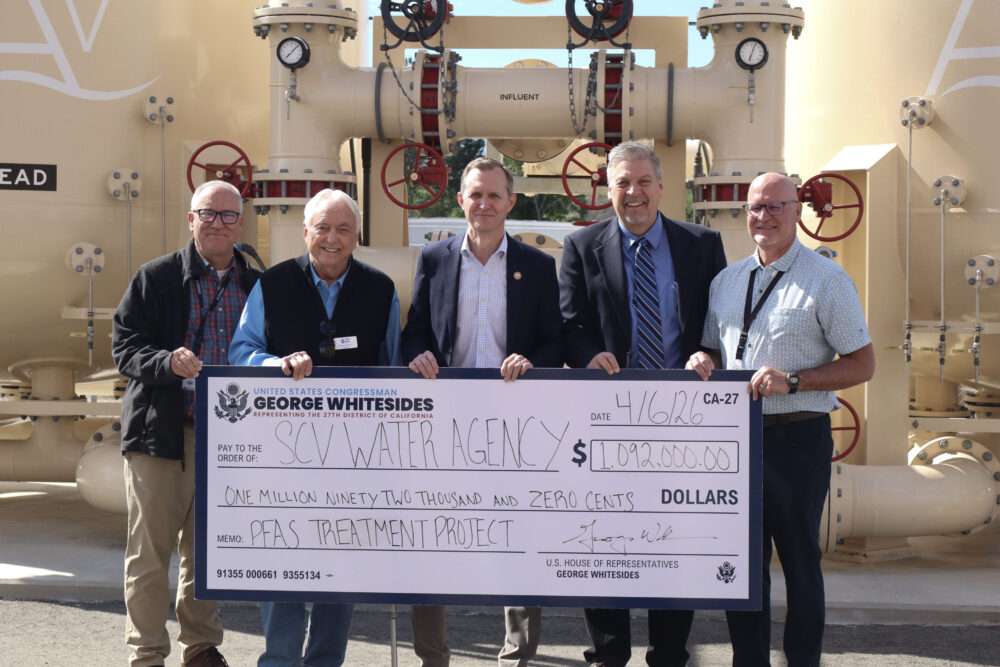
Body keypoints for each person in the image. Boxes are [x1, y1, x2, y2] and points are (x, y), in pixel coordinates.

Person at [686, 172, 875, 667]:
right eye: (755, 208)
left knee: (799, 563)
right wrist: (700, 360)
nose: (763, 217)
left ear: (797, 212)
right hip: (738, 440)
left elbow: (862, 364)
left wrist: (793, 381)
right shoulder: (726, 282)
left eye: (775, 207)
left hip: (797, 438)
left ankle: (802, 661)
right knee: (743, 567)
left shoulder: (826, 280)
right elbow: (713, 347)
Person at [559, 141, 726, 667]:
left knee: (671, 540)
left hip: (682, 422)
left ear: (661, 186)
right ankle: (608, 654)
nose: (633, 193)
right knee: (605, 539)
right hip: (610, 420)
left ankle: (670, 653)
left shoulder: (702, 244)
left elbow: (717, 322)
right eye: (622, 184)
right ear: (609, 190)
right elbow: (571, 324)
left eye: (642, 182)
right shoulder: (581, 246)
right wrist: (589, 355)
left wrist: (708, 350)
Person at [229, 188, 402, 667]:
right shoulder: (273, 285)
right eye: (322, 228)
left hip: (352, 461)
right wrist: (275, 364)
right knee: (282, 567)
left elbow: (391, 367)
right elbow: (241, 351)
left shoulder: (380, 288)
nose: (331, 238)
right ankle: (280, 662)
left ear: (357, 236)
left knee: (338, 574)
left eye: (343, 228)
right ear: (305, 232)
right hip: (281, 459)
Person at [401, 157, 562, 667]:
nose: (485, 204)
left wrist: (532, 360)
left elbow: (554, 340)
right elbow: (416, 331)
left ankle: (516, 654)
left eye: (495, 195)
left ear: (511, 202)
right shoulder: (434, 259)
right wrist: (418, 354)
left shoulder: (538, 267)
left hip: (514, 421)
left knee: (519, 535)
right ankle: (433, 656)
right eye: (475, 195)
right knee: (433, 539)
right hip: (444, 421)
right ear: (461, 200)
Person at [113, 180, 260, 667]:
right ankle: (147, 652)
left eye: (228, 216)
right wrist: (164, 362)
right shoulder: (155, 278)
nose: (217, 223)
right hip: (162, 434)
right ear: (190, 218)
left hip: (229, 439)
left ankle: (200, 645)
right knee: (149, 554)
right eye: (208, 213)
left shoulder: (256, 283)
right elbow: (125, 347)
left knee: (207, 552)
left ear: (241, 223)